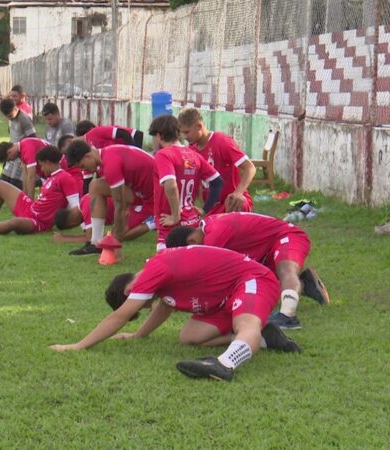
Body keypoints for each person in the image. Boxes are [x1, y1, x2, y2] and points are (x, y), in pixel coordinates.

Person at [49, 245, 302, 382]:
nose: (146, 306)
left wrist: (79, 345)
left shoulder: (152, 271)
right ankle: (267, 337)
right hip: (226, 297)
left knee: (245, 324)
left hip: (252, 279)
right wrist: (138, 335)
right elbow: (165, 307)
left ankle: (224, 364)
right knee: (189, 335)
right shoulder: (158, 278)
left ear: (129, 289)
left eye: (140, 304)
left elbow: (119, 317)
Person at [165, 212, 330, 330]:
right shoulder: (209, 229)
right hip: (264, 250)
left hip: (287, 236)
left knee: (286, 270)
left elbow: (208, 275)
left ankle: (288, 316)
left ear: (192, 241)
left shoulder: (214, 235)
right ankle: (304, 283)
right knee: (260, 285)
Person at [0, 146, 80, 235]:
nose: (41, 169)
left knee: (15, 223)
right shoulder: (51, 177)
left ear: (48, 162)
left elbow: (76, 207)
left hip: (38, 222)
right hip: (30, 208)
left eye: (42, 165)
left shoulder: (65, 178)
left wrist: (78, 227)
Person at [65, 141, 154, 255]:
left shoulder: (110, 164)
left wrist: (116, 242)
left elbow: (120, 205)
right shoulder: (104, 157)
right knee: (95, 186)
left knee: (122, 232)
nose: (84, 170)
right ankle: (95, 243)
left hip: (154, 200)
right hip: (138, 193)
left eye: (82, 166)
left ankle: (154, 221)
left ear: (88, 156)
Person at [149, 115, 224, 251]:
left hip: (171, 222)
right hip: (191, 221)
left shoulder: (163, 154)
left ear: (159, 136)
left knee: (166, 266)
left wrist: (175, 215)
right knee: (190, 263)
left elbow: (170, 184)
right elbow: (217, 182)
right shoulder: (193, 154)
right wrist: (205, 209)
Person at [177, 108, 256, 215]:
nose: (185, 137)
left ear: (199, 126)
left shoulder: (222, 141)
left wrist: (238, 193)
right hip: (212, 206)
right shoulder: (191, 150)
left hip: (232, 202)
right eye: (182, 133)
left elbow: (250, 168)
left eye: (187, 132)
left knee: (237, 204)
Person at [52, 195, 154, 244]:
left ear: (72, 223)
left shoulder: (87, 208)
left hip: (137, 206)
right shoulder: (84, 201)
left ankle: (154, 222)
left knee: (119, 235)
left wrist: (65, 239)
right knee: (115, 234)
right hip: (130, 205)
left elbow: (91, 238)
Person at [0, 97, 36, 196]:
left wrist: (26, 157)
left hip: (21, 155)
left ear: (15, 108)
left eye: (10, 115)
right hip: (11, 154)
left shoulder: (24, 119)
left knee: (16, 183)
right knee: (3, 180)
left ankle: (21, 204)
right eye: (7, 116)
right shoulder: (11, 118)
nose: (9, 118)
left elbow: (33, 138)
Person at [75, 120, 144, 149]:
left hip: (133, 136)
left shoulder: (97, 132)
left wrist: (131, 151)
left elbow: (125, 134)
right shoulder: (95, 143)